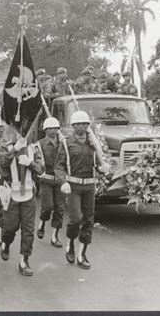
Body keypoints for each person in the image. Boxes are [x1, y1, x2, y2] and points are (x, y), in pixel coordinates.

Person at [54, 110, 102, 270]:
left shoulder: (95, 143)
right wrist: (63, 181)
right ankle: (70, 242)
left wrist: (104, 167)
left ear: (88, 126)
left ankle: (82, 254)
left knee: (88, 220)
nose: (81, 127)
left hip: (89, 185)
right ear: (73, 126)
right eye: (77, 124)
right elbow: (58, 166)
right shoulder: (66, 144)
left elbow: (101, 163)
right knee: (75, 218)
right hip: (73, 187)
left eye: (84, 124)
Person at [0, 126, 45, 277]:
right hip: (12, 194)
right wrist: (14, 150)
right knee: (10, 227)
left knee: (28, 229)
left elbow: (41, 169)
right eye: (19, 131)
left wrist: (30, 163)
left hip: (29, 194)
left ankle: (24, 260)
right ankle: (6, 243)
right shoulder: (5, 146)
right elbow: (2, 164)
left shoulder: (34, 148)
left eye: (26, 131)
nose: (22, 134)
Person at [35, 117, 64, 248]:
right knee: (47, 207)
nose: (53, 131)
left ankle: (54, 236)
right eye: (50, 128)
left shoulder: (64, 143)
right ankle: (42, 222)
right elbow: (37, 164)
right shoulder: (39, 145)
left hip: (60, 180)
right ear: (45, 130)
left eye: (55, 128)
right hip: (46, 179)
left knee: (60, 209)